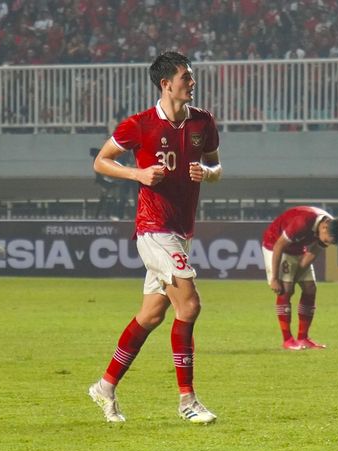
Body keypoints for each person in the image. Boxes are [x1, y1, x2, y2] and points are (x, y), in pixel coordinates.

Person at [88, 51, 222, 424]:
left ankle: (105, 385)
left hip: (182, 230)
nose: (192, 83)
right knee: (190, 305)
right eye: (186, 77)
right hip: (152, 227)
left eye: (191, 77)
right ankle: (187, 401)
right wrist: (138, 174)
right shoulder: (141, 124)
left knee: (151, 314)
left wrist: (207, 173)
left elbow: (217, 165)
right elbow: (101, 161)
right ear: (166, 84)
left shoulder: (203, 122)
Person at [262, 206, 338, 350]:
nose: (329, 243)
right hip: (275, 245)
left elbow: (315, 249)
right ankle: (288, 340)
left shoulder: (331, 227)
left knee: (310, 288)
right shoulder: (303, 222)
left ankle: (303, 338)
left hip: (297, 248)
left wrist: (299, 270)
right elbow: (279, 245)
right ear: (324, 228)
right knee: (286, 290)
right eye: (330, 240)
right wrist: (274, 279)